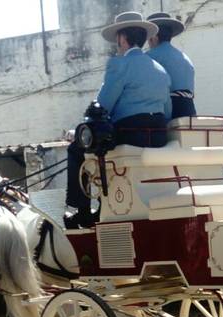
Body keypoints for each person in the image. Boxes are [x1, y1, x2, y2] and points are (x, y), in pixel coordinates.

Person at [64, 11, 171, 229]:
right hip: (159, 135)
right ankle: (104, 206)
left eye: (117, 39)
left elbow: (102, 107)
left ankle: (82, 211)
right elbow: (167, 110)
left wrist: (79, 132)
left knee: (77, 148)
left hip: (131, 133)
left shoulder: (120, 65)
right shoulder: (161, 70)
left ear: (122, 38)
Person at [147, 12, 196, 119]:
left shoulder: (148, 58)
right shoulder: (186, 59)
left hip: (168, 110)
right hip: (189, 111)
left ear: (153, 37)